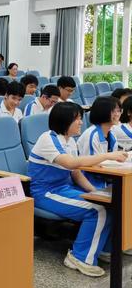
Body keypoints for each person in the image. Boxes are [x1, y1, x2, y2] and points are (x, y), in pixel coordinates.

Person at [28, 102, 127, 277]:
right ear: (65, 121)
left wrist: (94, 193)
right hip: (46, 193)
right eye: (78, 119)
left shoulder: (70, 141)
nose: (81, 122)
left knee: (106, 203)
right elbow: (71, 163)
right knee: (97, 210)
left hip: (63, 189)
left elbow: (76, 173)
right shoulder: (48, 138)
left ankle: (102, 248)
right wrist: (108, 155)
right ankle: (79, 257)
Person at [77, 96, 122, 188]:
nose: (117, 114)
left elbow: (111, 160)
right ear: (103, 112)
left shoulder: (112, 133)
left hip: (107, 177)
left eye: (119, 110)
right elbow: (90, 167)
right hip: (92, 181)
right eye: (114, 111)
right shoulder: (92, 134)